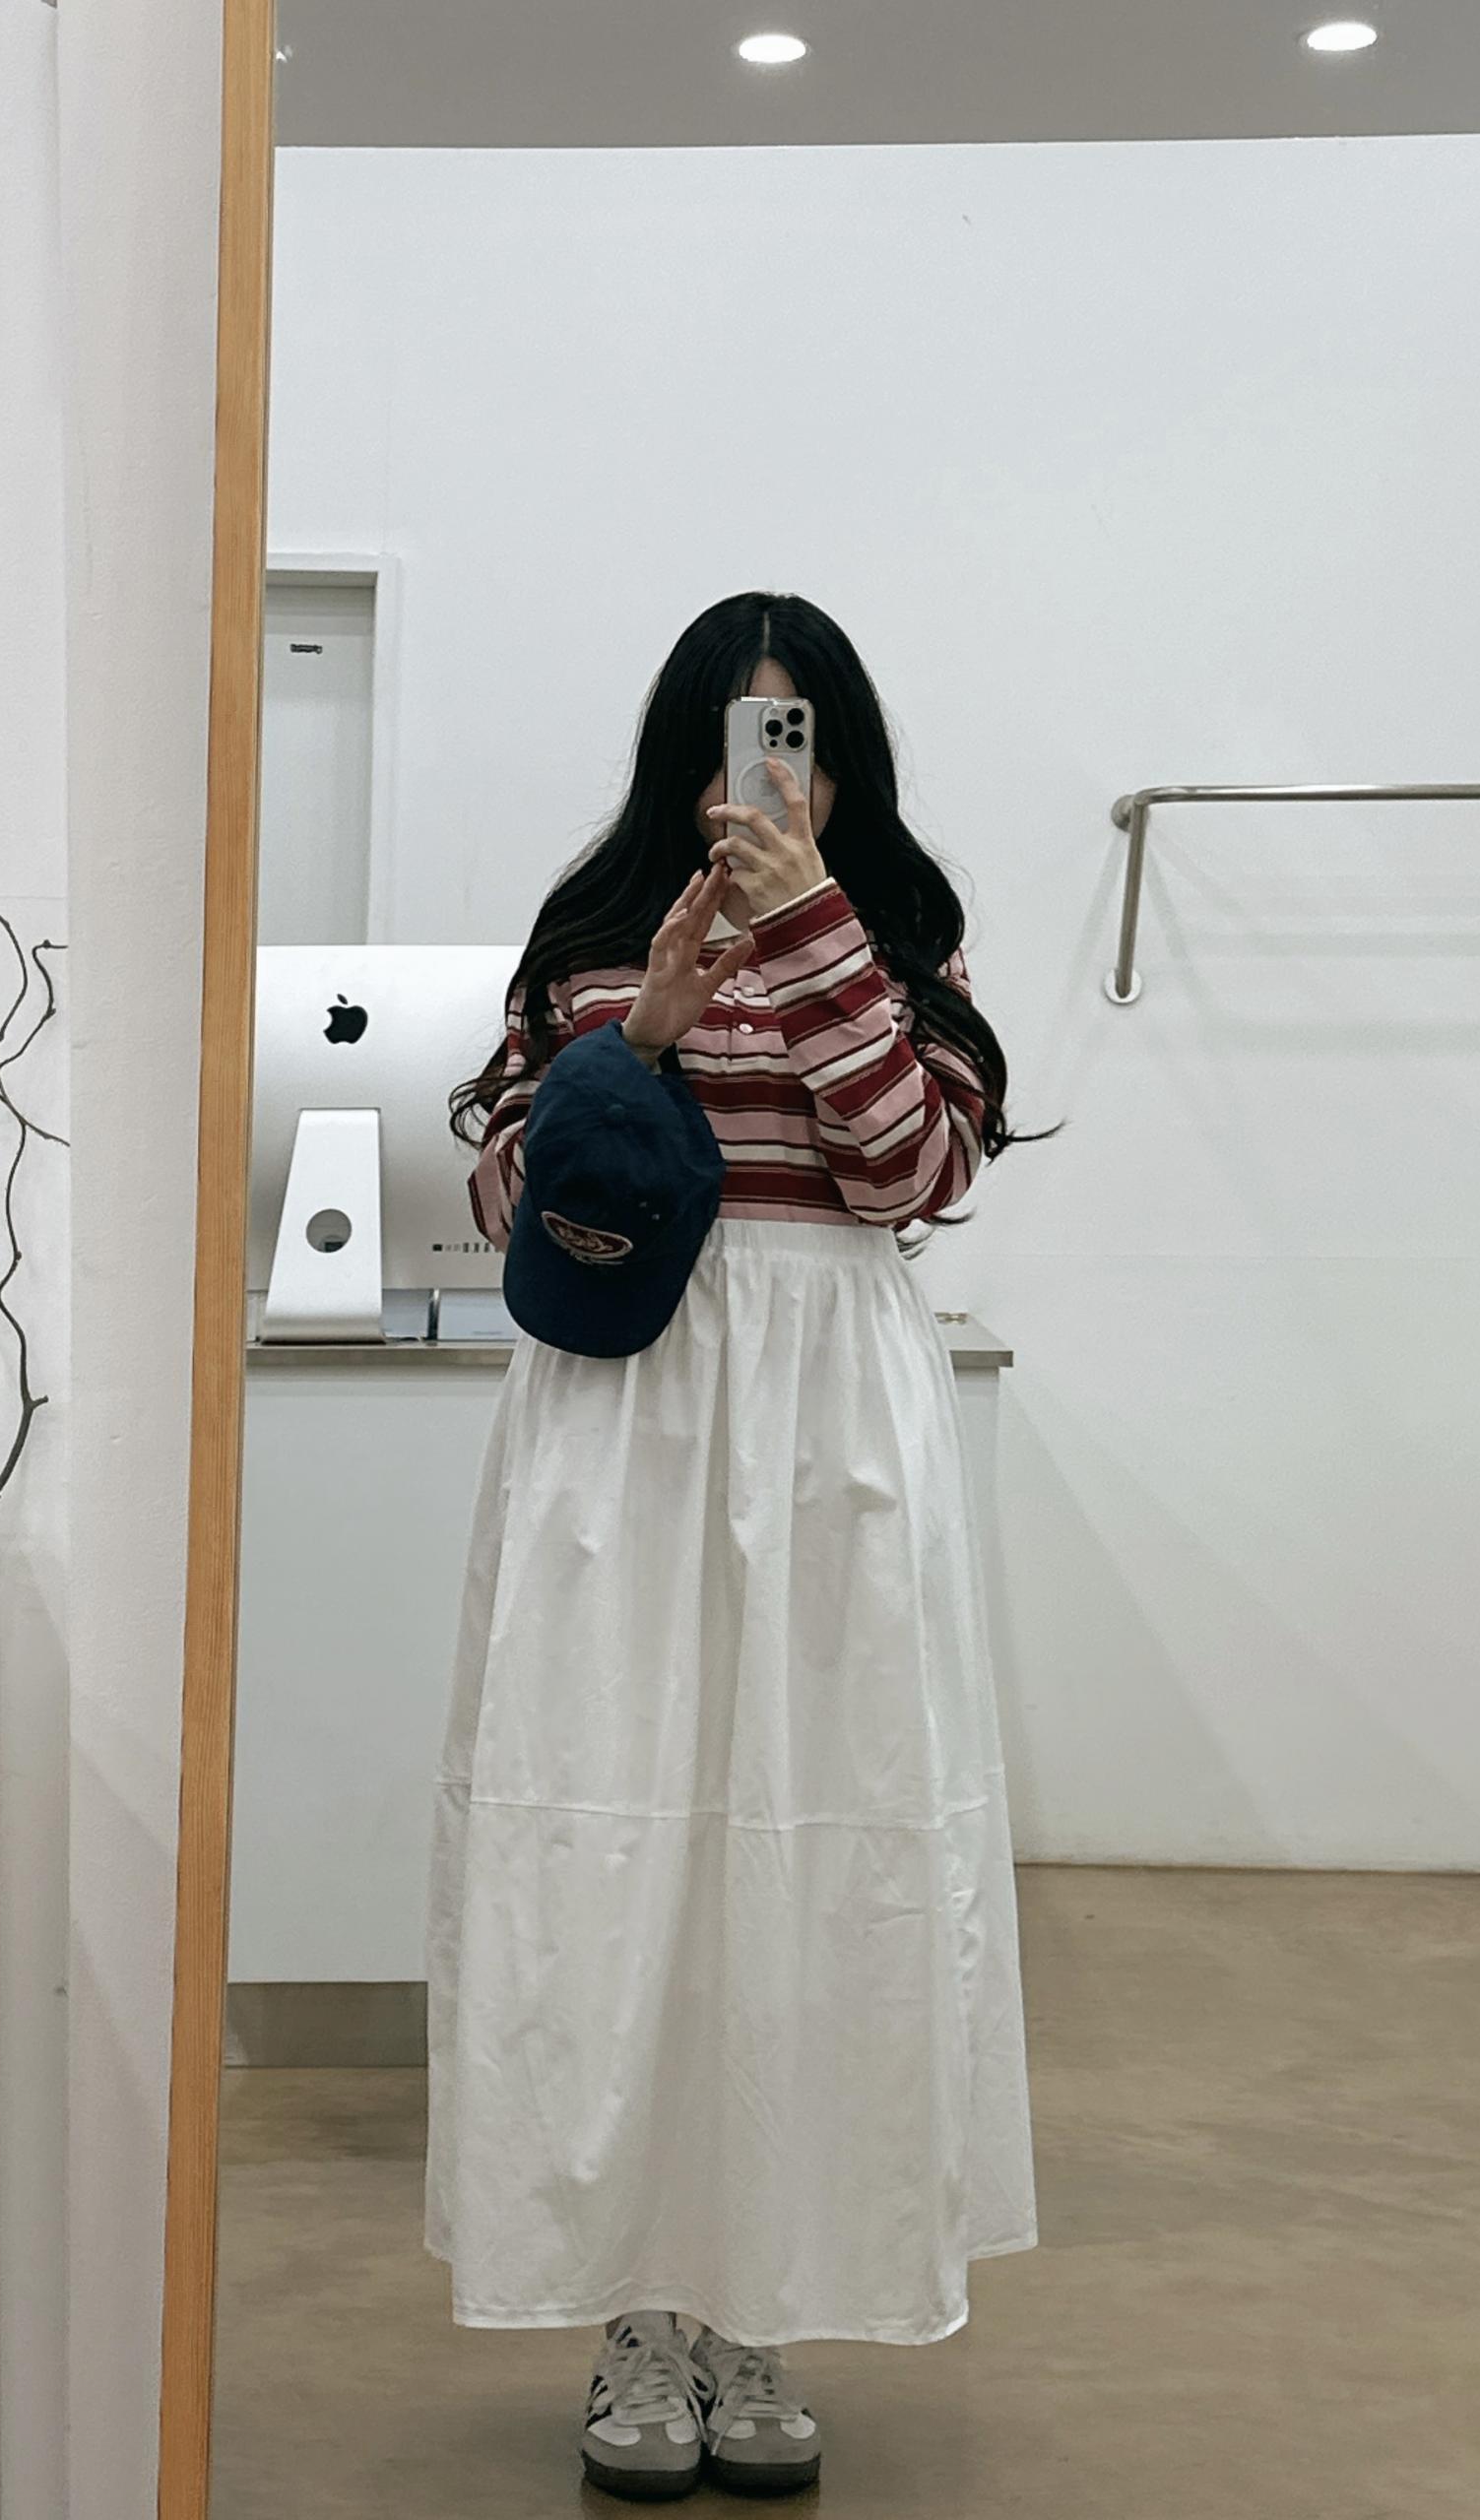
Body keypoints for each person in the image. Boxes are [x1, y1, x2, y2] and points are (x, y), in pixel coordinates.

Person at [431, 591, 1042, 2501]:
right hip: (628, 1422)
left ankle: (758, 2296)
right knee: (611, 1849)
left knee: (816, 1845)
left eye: (799, 740)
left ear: (840, 764)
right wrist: (650, 1032)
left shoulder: (897, 935)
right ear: (680, 753)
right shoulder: (596, 942)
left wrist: (820, 938)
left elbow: (914, 1172)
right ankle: (635, 2303)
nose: (765, 776)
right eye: (737, 734)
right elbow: (511, 1205)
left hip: (832, 1422)